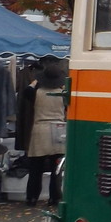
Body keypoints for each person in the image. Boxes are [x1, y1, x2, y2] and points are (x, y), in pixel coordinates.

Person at [21, 57, 68, 206]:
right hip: (59, 129)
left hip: (40, 129)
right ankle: (54, 197)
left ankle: (32, 197)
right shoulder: (63, 94)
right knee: (57, 167)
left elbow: (26, 91)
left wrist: (35, 82)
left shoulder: (36, 92)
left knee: (36, 166)